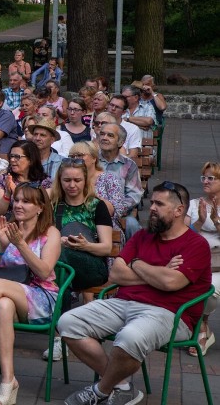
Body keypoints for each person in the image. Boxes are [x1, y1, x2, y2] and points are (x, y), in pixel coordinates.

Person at [59, 182, 211, 405]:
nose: (151, 208)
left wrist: (137, 264)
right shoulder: (142, 236)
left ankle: (100, 390)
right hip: (124, 303)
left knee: (129, 337)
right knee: (68, 322)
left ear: (179, 211)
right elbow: (117, 274)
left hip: (170, 314)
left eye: (159, 204)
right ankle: (121, 386)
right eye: (152, 203)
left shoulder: (196, 245)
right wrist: (155, 271)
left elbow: (170, 283)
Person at [0, 184, 61, 405]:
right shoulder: (7, 228)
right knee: (2, 305)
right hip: (11, 294)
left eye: (26, 201)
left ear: (40, 208)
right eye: (17, 200)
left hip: (41, 297)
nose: (19, 205)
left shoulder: (50, 233)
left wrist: (20, 244)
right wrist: (2, 247)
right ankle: (8, 382)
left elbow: (43, 271)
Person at [49, 159, 113, 292]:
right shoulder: (54, 205)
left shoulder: (97, 206)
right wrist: (56, 242)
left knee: (60, 258)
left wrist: (85, 246)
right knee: (60, 262)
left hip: (92, 266)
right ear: (59, 181)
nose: (72, 185)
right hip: (61, 264)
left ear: (85, 181)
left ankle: (59, 310)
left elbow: (106, 248)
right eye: (67, 180)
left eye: (77, 180)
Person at [187, 162, 220, 357]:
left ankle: (202, 324)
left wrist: (216, 221)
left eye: (211, 178)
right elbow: (183, 235)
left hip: (218, 265)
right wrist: (199, 221)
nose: (205, 181)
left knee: (210, 292)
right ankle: (202, 328)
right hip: (197, 261)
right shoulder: (194, 204)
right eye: (204, 178)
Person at [67, 141, 130, 236]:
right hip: (72, 228)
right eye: (72, 157)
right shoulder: (67, 180)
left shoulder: (109, 179)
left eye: (80, 156)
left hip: (105, 230)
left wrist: (89, 192)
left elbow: (115, 211)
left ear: (94, 158)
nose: (75, 159)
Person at [96, 123, 143, 238]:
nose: (104, 138)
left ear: (120, 142)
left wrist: (115, 209)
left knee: (132, 224)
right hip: (92, 209)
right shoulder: (92, 160)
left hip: (120, 213)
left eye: (110, 135)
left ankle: (134, 255)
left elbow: (134, 195)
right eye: (102, 134)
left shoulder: (129, 165)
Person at [0, 141, 52, 221]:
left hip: (36, 224)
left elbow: (45, 209)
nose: (12, 160)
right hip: (9, 224)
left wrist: (15, 191)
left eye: (17, 157)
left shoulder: (44, 181)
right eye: (11, 156)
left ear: (31, 160)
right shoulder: (4, 179)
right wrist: (7, 193)